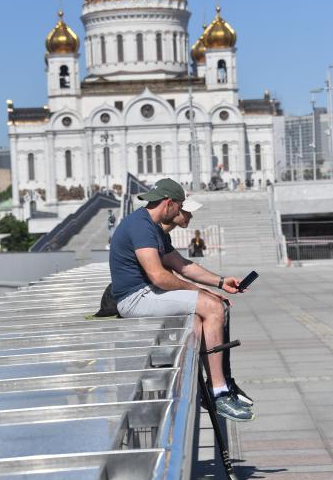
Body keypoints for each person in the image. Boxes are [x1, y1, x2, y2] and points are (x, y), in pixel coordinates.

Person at [109, 177, 254, 422]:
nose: (182, 210)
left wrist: (220, 282)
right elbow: (159, 276)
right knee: (213, 307)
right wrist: (201, 293)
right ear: (168, 203)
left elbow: (183, 266)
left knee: (206, 315)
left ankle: (217, 384)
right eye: (180, 205)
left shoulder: (151, 227)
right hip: (135, 298)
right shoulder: (141, 226)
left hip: (145, 294)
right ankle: (218, 393)